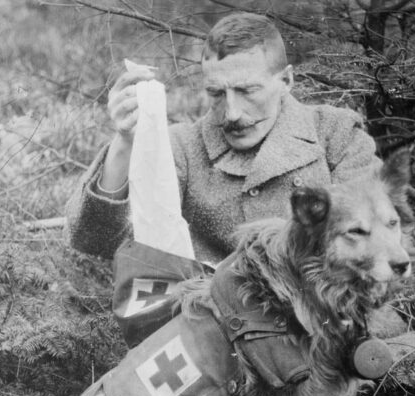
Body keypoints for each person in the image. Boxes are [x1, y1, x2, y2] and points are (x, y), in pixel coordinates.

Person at [65, 12, 385, 265]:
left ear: (286, 80)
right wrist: (124, 142)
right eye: (216, 93)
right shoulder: (183, 148)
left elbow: (372, 245)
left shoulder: (336, 133)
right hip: (219, 332)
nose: (231, 113)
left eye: (247, 91)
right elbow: (97, 241)